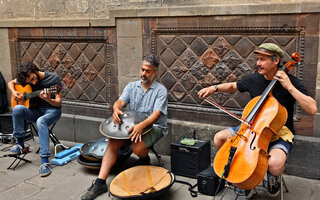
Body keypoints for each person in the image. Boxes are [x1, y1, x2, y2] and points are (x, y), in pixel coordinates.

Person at [198, 43, 317, 198]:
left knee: (274, 165)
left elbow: (312, 109)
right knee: (219, 139)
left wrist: (289, 87)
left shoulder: (292, 82)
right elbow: (234, 86)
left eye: (262, 60)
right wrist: (214, 88)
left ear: (275, 61)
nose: (258, 63)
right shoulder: (255, 79)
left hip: (278, 132)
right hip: (251, 128)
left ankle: (272, 178)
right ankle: (245, 175)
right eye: (258, 59)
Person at [81, 55, 168, 200]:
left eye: (147, 71)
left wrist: (141, 125)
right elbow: (119, 102)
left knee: (137, 148)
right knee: (112, 141)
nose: (143, 74)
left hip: (154, 126)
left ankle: (144, 158)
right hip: (133, 126)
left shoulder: (160, 90)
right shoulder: (132, 86)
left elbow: (156, 115)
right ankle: (100, 183)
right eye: (142, 69)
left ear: (155, 73)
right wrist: (116, 110)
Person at [8, 63, 62, 177]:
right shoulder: (25, 79)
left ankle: (45, 161)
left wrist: (48, 99)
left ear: (35, 70)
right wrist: (14, 92)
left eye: (33, 78)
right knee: (17, 108)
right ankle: (20, 145)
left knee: (41, 121)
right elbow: (10, 83)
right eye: (29, 82)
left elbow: (58, 103)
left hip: (52, 111)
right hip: (34, 111)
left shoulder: (53, 78)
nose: (32, 83)